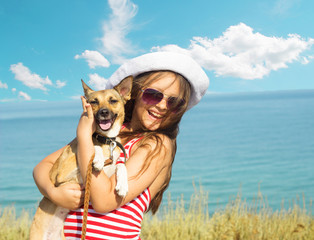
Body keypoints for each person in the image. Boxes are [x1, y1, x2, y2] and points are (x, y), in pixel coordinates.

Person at [33, 51, 209, 239]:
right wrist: (53, 192)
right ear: (132, 94)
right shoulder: (102, 134)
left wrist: (84, 137)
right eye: (153, 95)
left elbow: (104, 201)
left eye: (174, 102)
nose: (162, 106)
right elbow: (43, 166)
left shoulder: (157, 145)